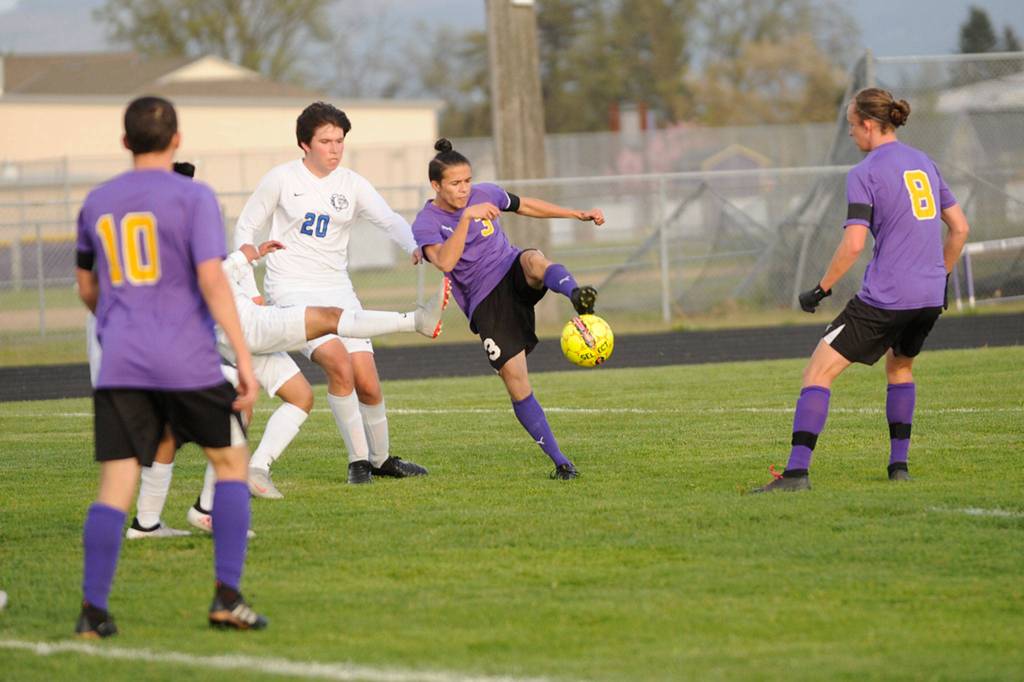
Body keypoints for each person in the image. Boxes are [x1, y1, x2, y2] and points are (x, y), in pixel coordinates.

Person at [73, 96, 266, 636]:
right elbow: (211, 278)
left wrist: (119, 320)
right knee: (230, 463)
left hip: (122, 362)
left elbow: (88, 285)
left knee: (116, 482)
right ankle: (227, 596)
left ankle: (93, 611)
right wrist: (243, 354)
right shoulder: (194, 197)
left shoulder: (96, 201)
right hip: (187, 359)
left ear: (125, 141)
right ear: (177, 139)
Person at [753, 88, 971, 493]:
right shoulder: (925, 162)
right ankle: (899, 468)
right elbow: (959, 228)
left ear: (869, 125)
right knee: (900, 367)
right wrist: (940, 278)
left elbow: (854, 244)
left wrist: (820, 289)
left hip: (886, 298)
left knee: (817, 372)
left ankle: (797, 474)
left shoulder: (865, 173)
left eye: (852, 125)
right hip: (927, 297)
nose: (851, 134)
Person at [235, 101, 429, 484]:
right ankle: (358, 462)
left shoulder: (352, 183)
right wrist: (250, 289)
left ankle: (381, 459)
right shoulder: (281, 179)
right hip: (291, 292)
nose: (335, 149)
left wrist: (413, 245)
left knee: (368, 381)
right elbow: (245, 230)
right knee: (339, 364)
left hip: (338, 289)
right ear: (304, 144)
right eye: (326, 141)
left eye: (340, 140)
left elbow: (388, 218)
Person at [411, 138, 605, 479]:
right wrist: (466, 218)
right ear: (436, 186)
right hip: (486, 303)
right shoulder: (426, 222)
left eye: (468, 181)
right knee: (517, 382)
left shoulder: (485, 193)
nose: (464, 189)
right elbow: (444, 261)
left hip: (510, 267)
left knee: (532, 259)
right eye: (455, 183)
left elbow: (526, 205)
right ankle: (562, 463)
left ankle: (576, 295)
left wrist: (575, 214)